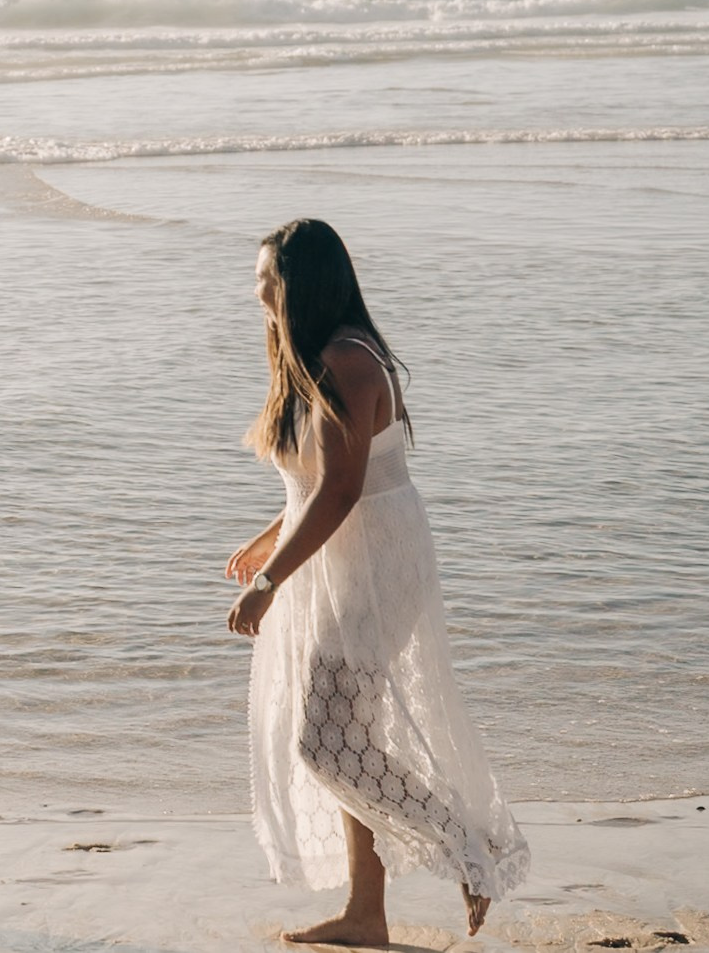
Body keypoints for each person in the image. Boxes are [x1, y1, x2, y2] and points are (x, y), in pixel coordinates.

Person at [227, 220, 528, 945]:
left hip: (374, 566)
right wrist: (268, 535)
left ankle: (466, 842)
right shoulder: (313, 357)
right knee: (348, 735)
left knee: (325, 741)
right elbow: (314, 483)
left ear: (300, 284)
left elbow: (342, 488)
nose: (254, 290)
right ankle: (367, 914)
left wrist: (269, 579)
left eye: (266, 278)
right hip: (341, 558)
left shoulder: (346, 361)